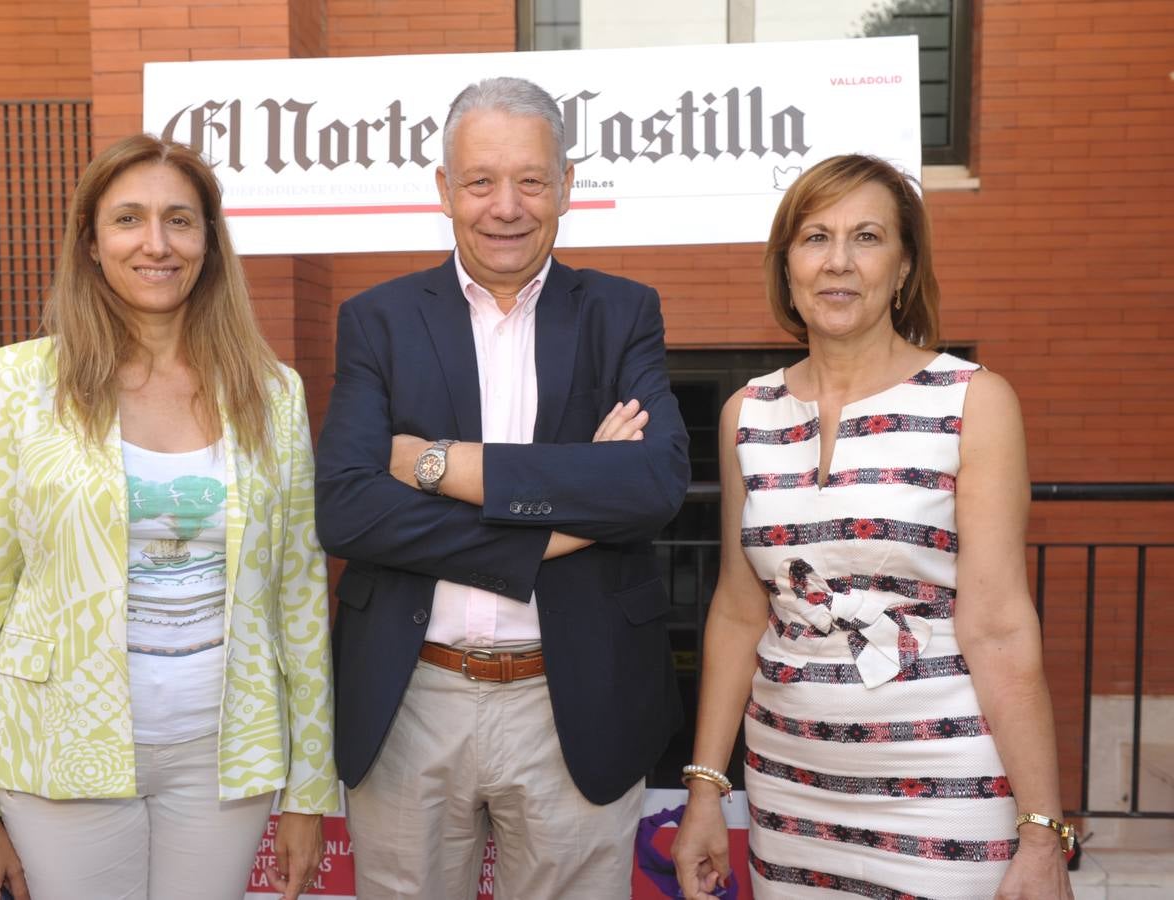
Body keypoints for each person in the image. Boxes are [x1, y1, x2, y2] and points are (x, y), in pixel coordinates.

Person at [314, 76, 690, 899]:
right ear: (445, 189)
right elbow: (345, 510)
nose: (506, 206)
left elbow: (654, 484)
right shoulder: (377, 321)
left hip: (575, 697)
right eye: (481, 181)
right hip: (412, 696)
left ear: (565, 186)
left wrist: (434, 467)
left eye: (530, 180)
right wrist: (566, 506)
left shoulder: (623, 313)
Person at [0, 134, 337, 900]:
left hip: (225, 755)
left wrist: (309, 788)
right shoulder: (18, 383)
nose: (156, 243)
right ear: (90, 242)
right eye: (129, 219)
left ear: (209, 243)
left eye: (180, 221)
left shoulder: (272, 392)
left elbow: (299, 598)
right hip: (58, 749)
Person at [671, 154, 1074, 899]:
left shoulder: (973, 402)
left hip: (948, 787)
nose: (839, 263)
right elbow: (735, 611)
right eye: (815, 237)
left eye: (867, 237)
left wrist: (1042, 827)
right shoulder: (746, 414)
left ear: (904, 264)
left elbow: (1000, 626)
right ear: (787, 263)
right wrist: (704, 789)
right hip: (787, 790)